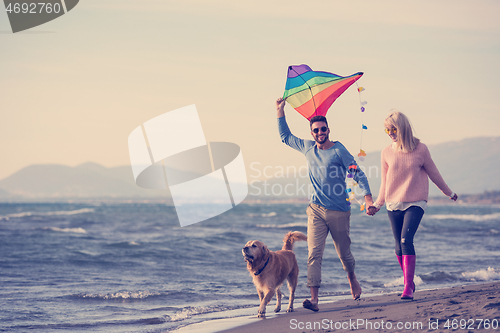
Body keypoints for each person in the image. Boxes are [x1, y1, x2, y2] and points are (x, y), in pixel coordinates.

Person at [276, 97, 374, 311]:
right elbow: (285, 137)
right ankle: (315, 300)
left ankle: (352, 278)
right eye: (316, 130)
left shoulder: (339, 151)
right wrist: (279, 111)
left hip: (339, 211)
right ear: (311, 133)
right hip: (316, 211)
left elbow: (358, 174)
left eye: (323, 129)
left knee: (344, 254)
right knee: (313, 254)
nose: (320, 133)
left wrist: (368, 199)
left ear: (328, 130)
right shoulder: (308, 148)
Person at [367, 110, 458, 300]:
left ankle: (408, 285)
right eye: (387, 130)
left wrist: (448, 192)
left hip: (416, 201)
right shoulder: (386, 152)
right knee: (398, 246)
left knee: (405, 240)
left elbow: (434, 173)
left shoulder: (421, 149)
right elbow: (385, 182)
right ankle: (410, 280)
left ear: (403, 128)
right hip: (393, 202)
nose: (390, 133)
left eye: (393, 129)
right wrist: (377, 204)